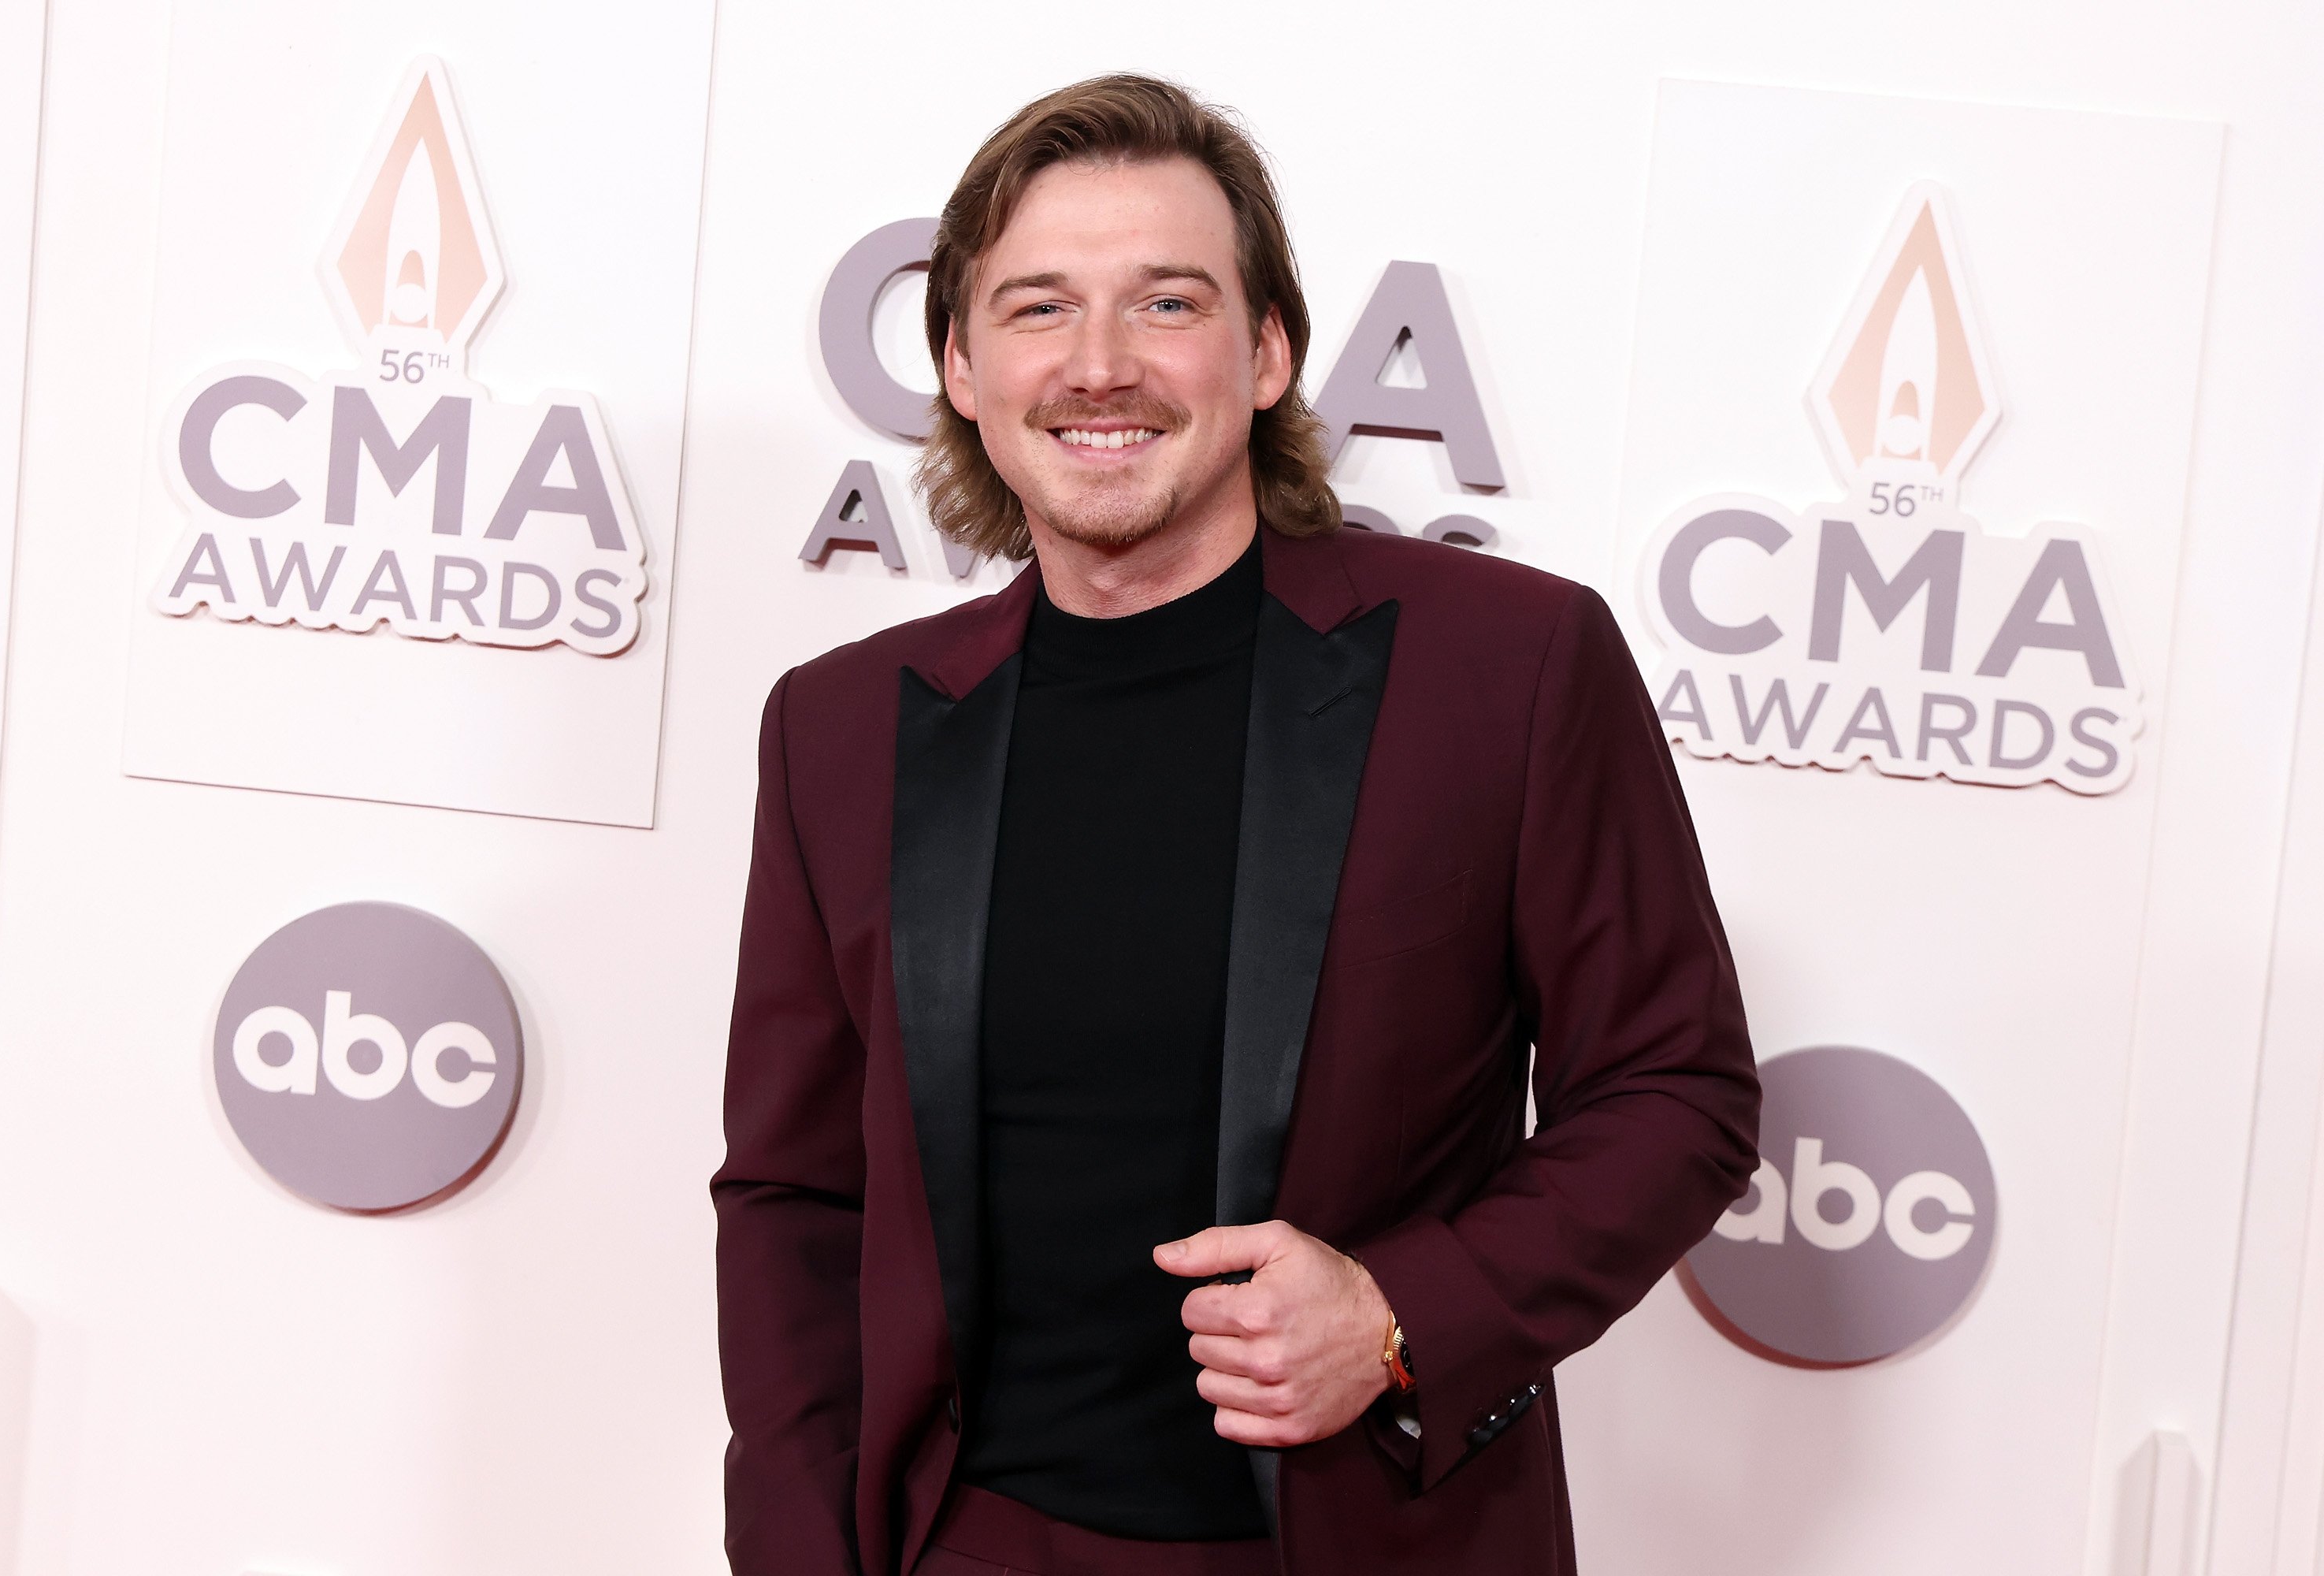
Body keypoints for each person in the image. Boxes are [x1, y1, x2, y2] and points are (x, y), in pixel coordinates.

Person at [714, 73, 1759, 1576]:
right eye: (1037, 310)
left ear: (1266, 351)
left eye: (1167, 303)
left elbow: (1677, 1090)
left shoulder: (1510, 666)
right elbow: (798, 1197)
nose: (1100, 365)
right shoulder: (842, 727)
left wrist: (1402, 1318)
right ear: (956, 363)